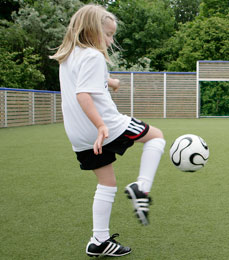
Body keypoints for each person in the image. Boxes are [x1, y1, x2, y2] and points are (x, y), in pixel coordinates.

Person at [49, 4, 166, 257]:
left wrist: (110, 81)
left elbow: (84, 82)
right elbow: (83, 95)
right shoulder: (93, 56)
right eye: (109, 34)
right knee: (156, 136)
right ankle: (141, 187)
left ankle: (99, 240)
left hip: (79, 135)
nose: (111, 40)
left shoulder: (68, 57)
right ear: (92, 30)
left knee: (107, 183)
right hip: (107, 126)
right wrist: (101, 125)